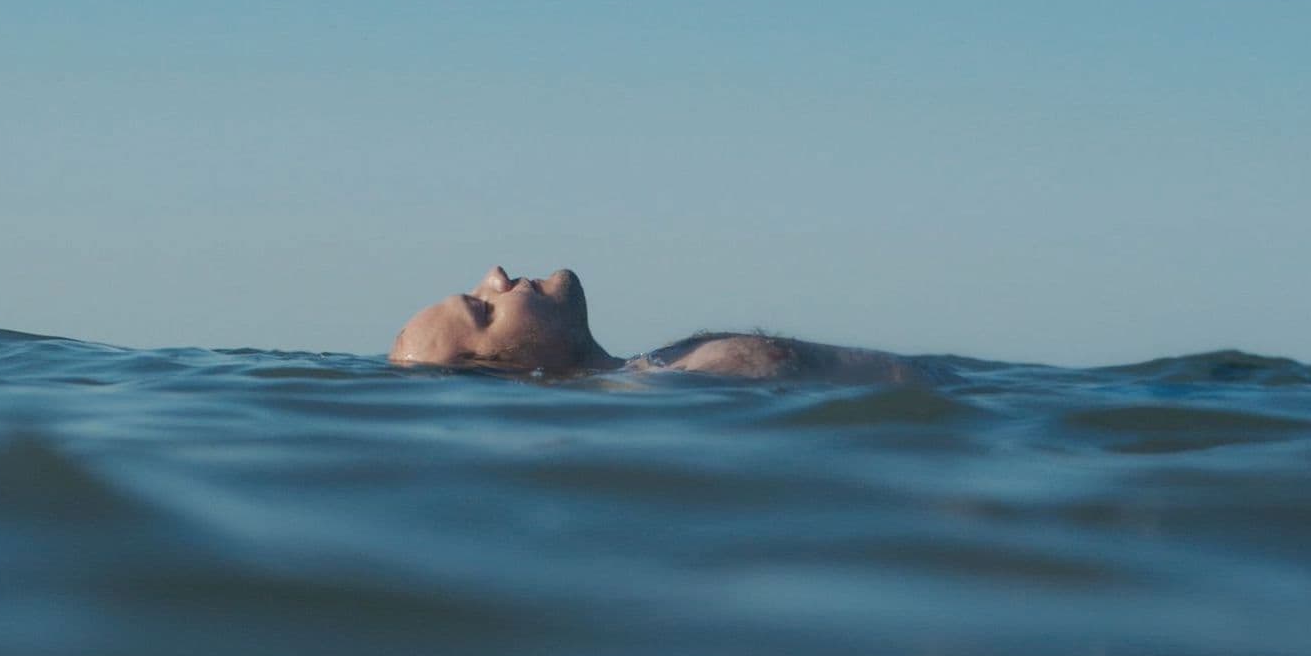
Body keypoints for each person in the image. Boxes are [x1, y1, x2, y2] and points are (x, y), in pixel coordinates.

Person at [389, 266, 922, 381]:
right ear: (517, 371)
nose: (495, 276)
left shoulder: (657, 367)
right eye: (483, 308)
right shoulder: (660, 388)